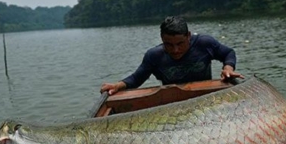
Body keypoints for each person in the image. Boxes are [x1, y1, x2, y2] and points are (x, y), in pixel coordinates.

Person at [100, 16, 244, 95]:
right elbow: (137, 78)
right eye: (169, 44)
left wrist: (228, 68)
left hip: (205, 94)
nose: (175, 50)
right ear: (162, 38)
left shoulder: (204, 43)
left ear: (188, 36)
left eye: (180, 43)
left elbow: (228, 53)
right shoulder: (154, 55)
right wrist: (117, 85)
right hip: (174, 100)